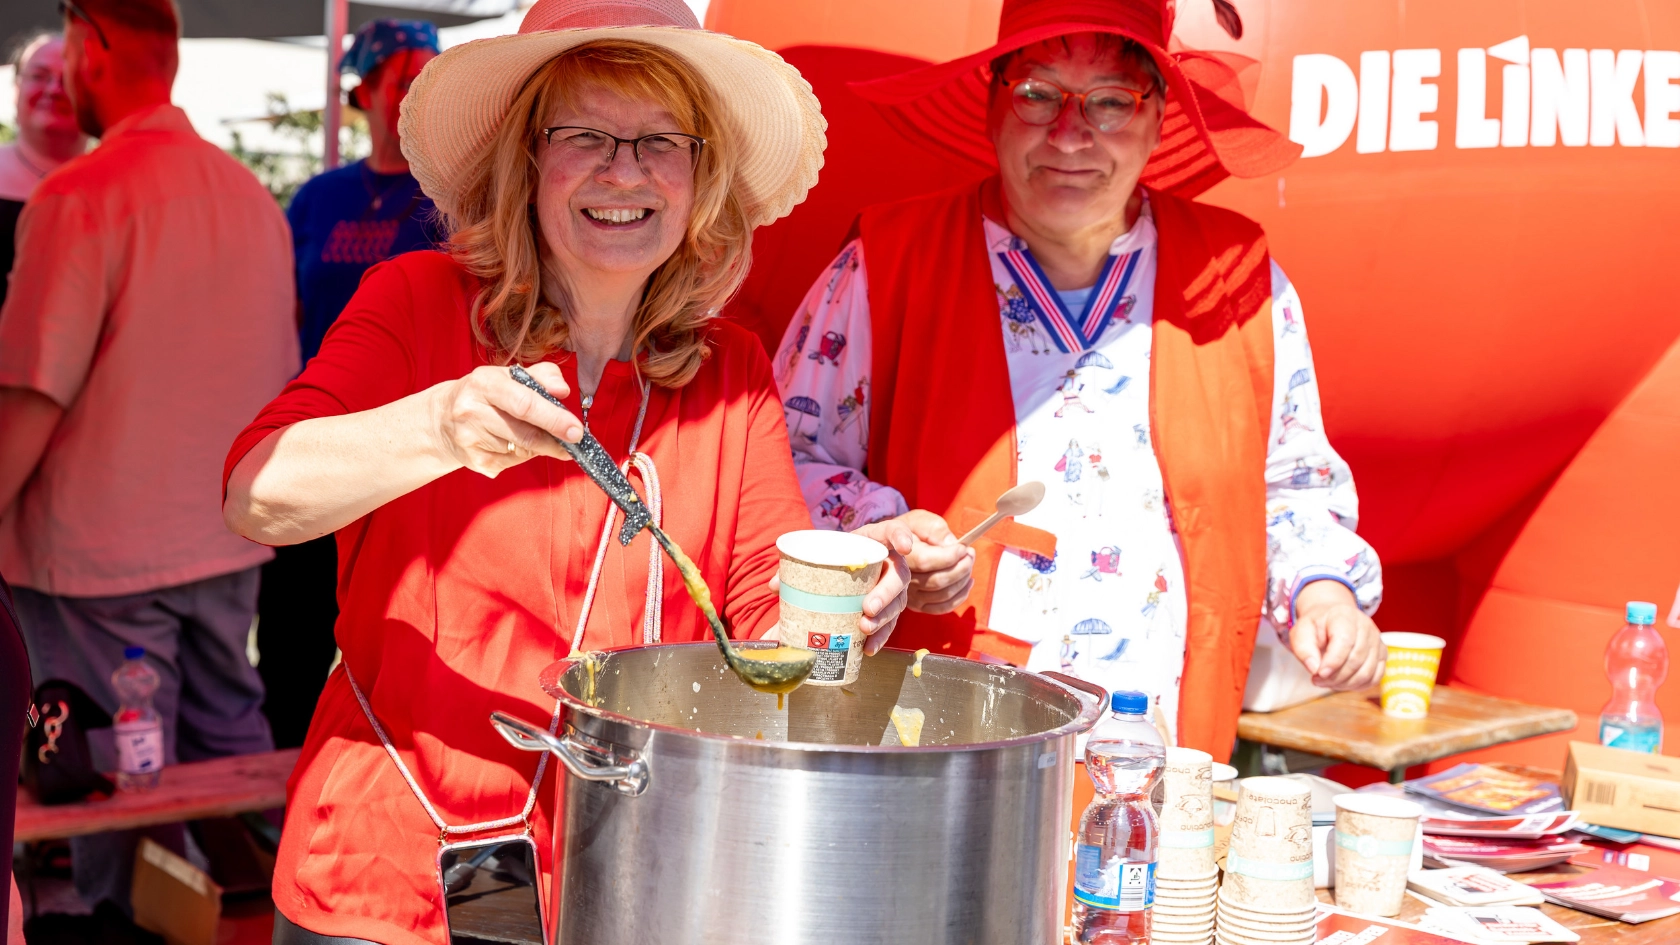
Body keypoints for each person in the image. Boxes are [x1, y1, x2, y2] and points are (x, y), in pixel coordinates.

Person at [222, 1, 900, 940]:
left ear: (701, 178)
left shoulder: (731, 369)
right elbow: (257, 494)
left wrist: (849, 598)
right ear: (526, 160)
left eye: (662, 140)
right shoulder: (418, 302)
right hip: (386, 874)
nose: (625, 172)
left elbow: (759, 612)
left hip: (630, 876)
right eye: (586, 134)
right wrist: (439, 424)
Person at [775, 0, 1385, 758]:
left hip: (1159, 752)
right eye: (1036, 93)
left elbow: (1291, 485)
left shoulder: (1235, 282)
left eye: (1110, 101)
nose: (1070, 133)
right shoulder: (886, 264)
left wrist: (1322, 592)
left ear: (1160, 116)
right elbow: (780, 468)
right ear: (993, 103)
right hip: (940, 755)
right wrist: (883, 532)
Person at [0, 0, 296, 912]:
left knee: (118, 784)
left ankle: (135, 928)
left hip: (100, 553)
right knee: (230, 742)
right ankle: (265, 909)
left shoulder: (81, 194)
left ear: (91, 46)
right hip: (223, 532)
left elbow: (33, 390)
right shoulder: (249, 195)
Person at [260, 19, 441, 751]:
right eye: (402, 80)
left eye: (431, 76)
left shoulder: (452, 199)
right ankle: (281, 791)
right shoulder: (318, 197)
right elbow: (283, 309)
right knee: (290, 640)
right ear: (362, 90)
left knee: (399, 639)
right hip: (317, 436)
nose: (416, 94)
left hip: (411, 449)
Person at [0, 33, 87, 310]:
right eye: (39, 76)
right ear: (16, 89)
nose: (53, 89)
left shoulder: (122, 189)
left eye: (69, 77)